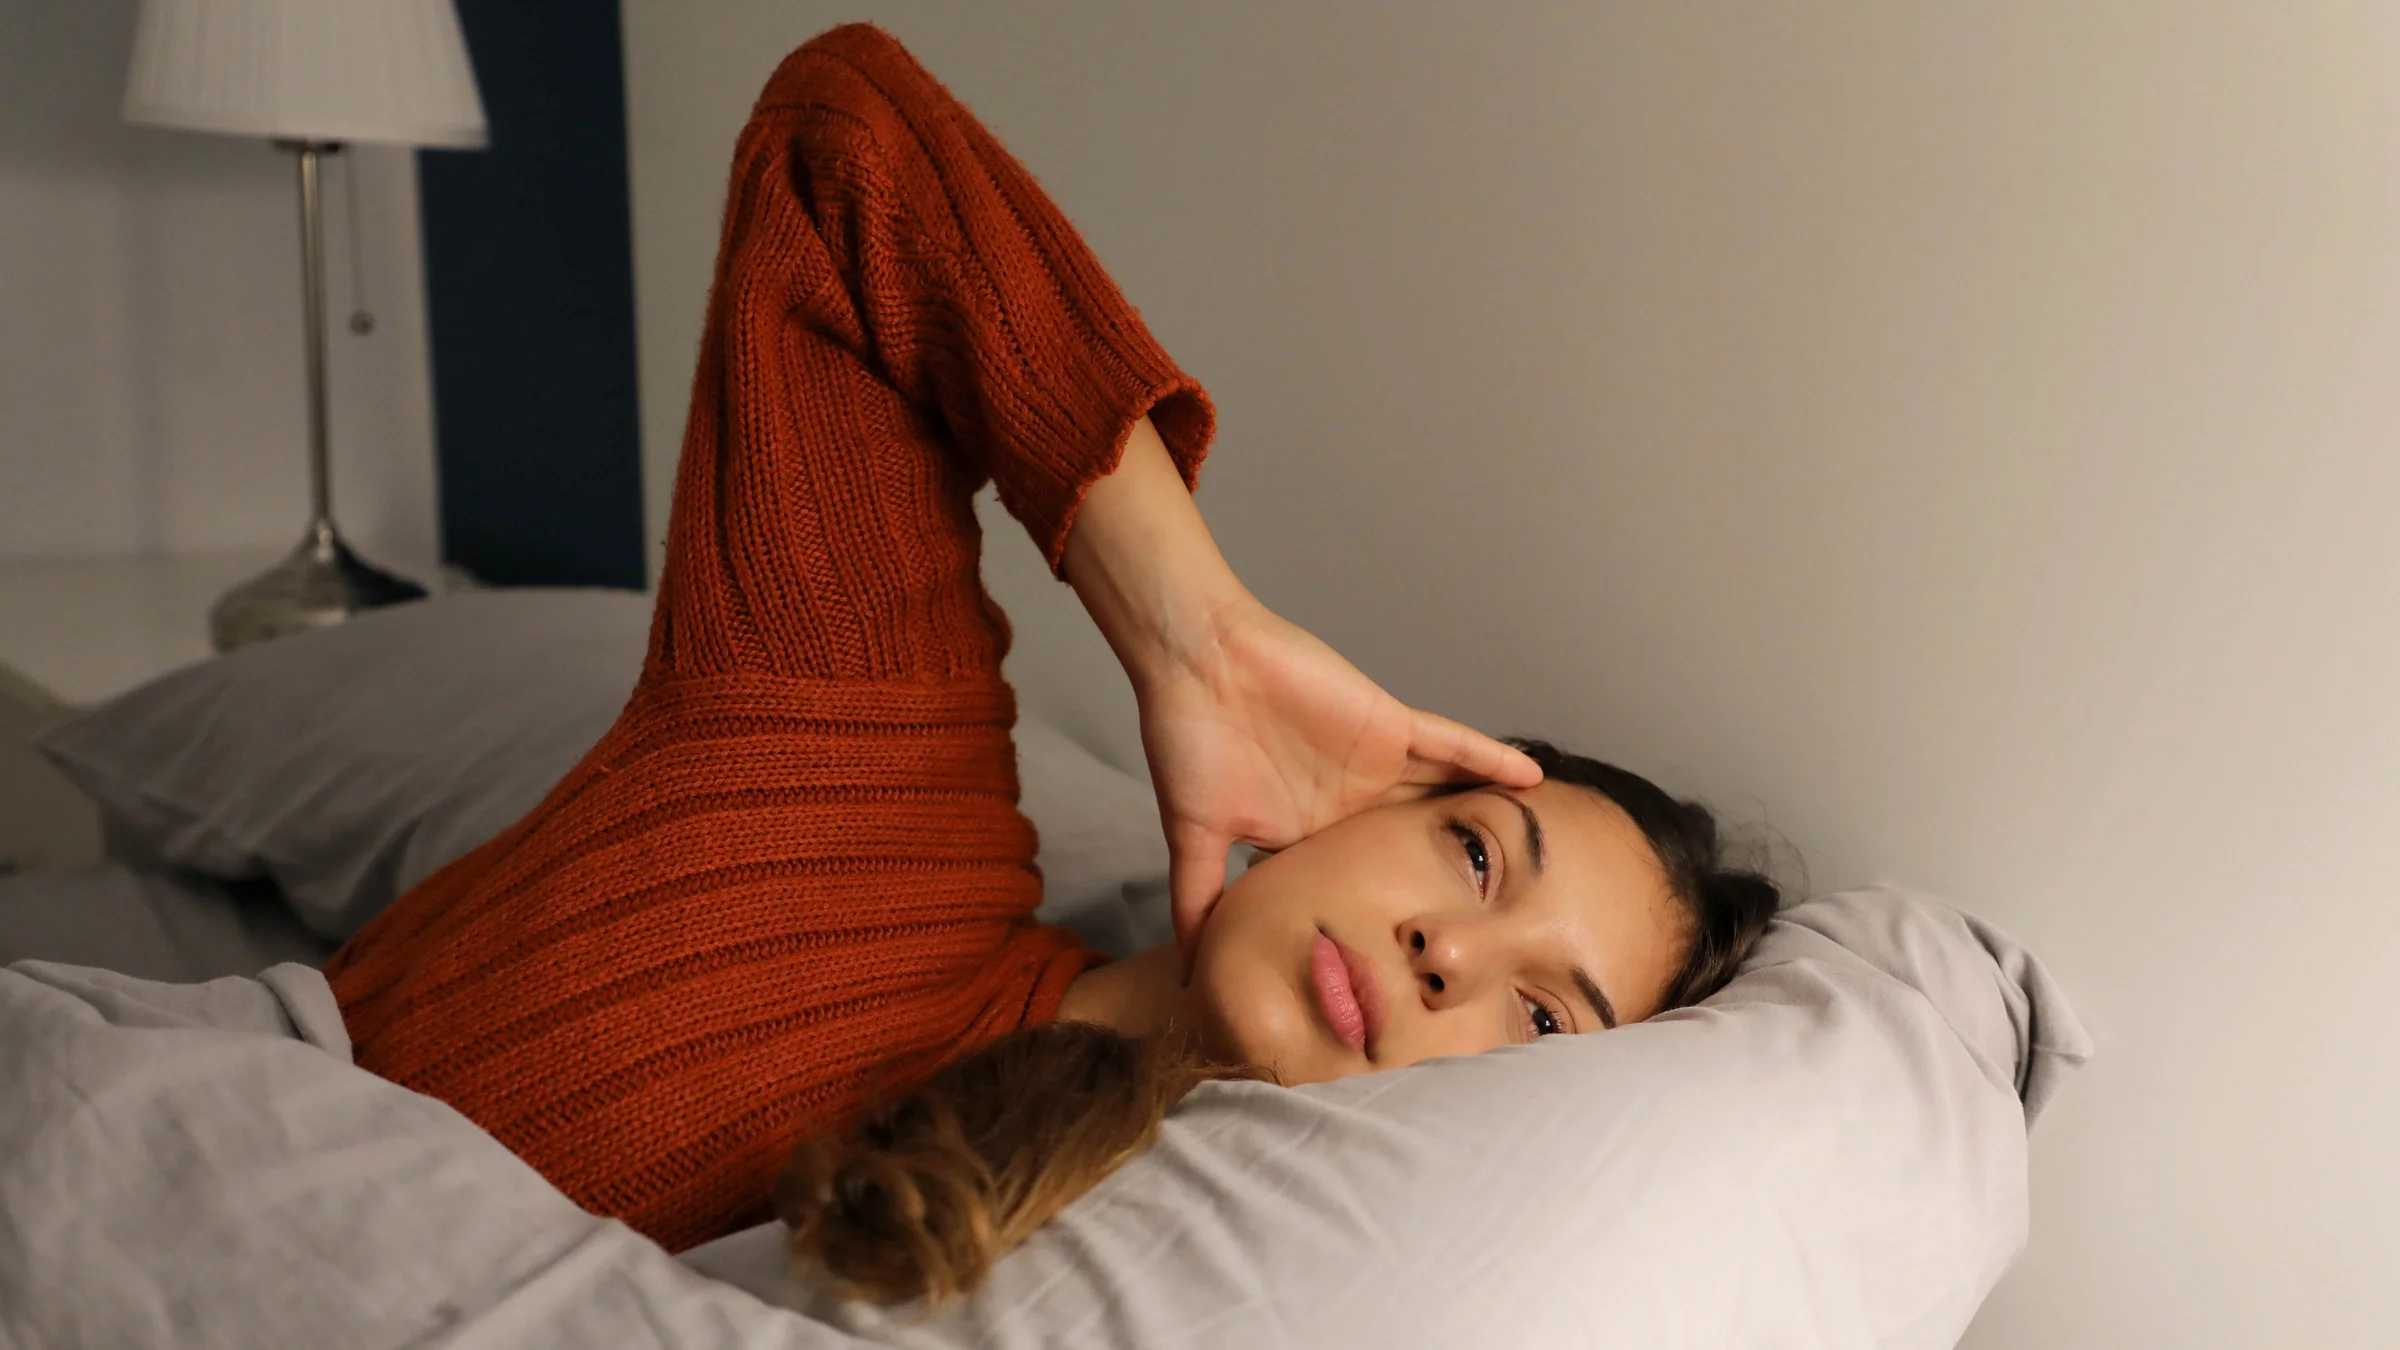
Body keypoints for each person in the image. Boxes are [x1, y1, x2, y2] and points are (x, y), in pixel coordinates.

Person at [323, 22, 1779, 1305]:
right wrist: (1190, 634)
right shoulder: (867, 785)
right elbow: (840, 141)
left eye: (1535, 1019)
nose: (1448, 952)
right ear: (1365, 800)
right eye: (1471, 853)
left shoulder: (1251, 1275)